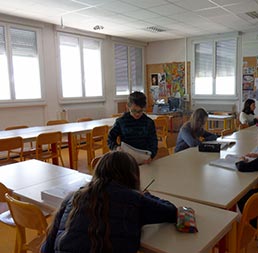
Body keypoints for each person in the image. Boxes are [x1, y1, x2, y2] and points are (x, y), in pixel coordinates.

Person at [41, 151, 177, 253]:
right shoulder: (134, 200)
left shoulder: (73, 197)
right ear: (132, 176)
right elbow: (171, 211)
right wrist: (145, 195)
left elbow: (45, 249)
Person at [108, 91, 158, 163]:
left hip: (144, 159)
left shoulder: (148, 122)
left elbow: (153, 141)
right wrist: (116, 148)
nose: (137, 114)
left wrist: (152, 155)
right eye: (134, 111)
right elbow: (110, 138)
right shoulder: (121, 121)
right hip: (126, 160)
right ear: (128, 107)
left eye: (140, 111)